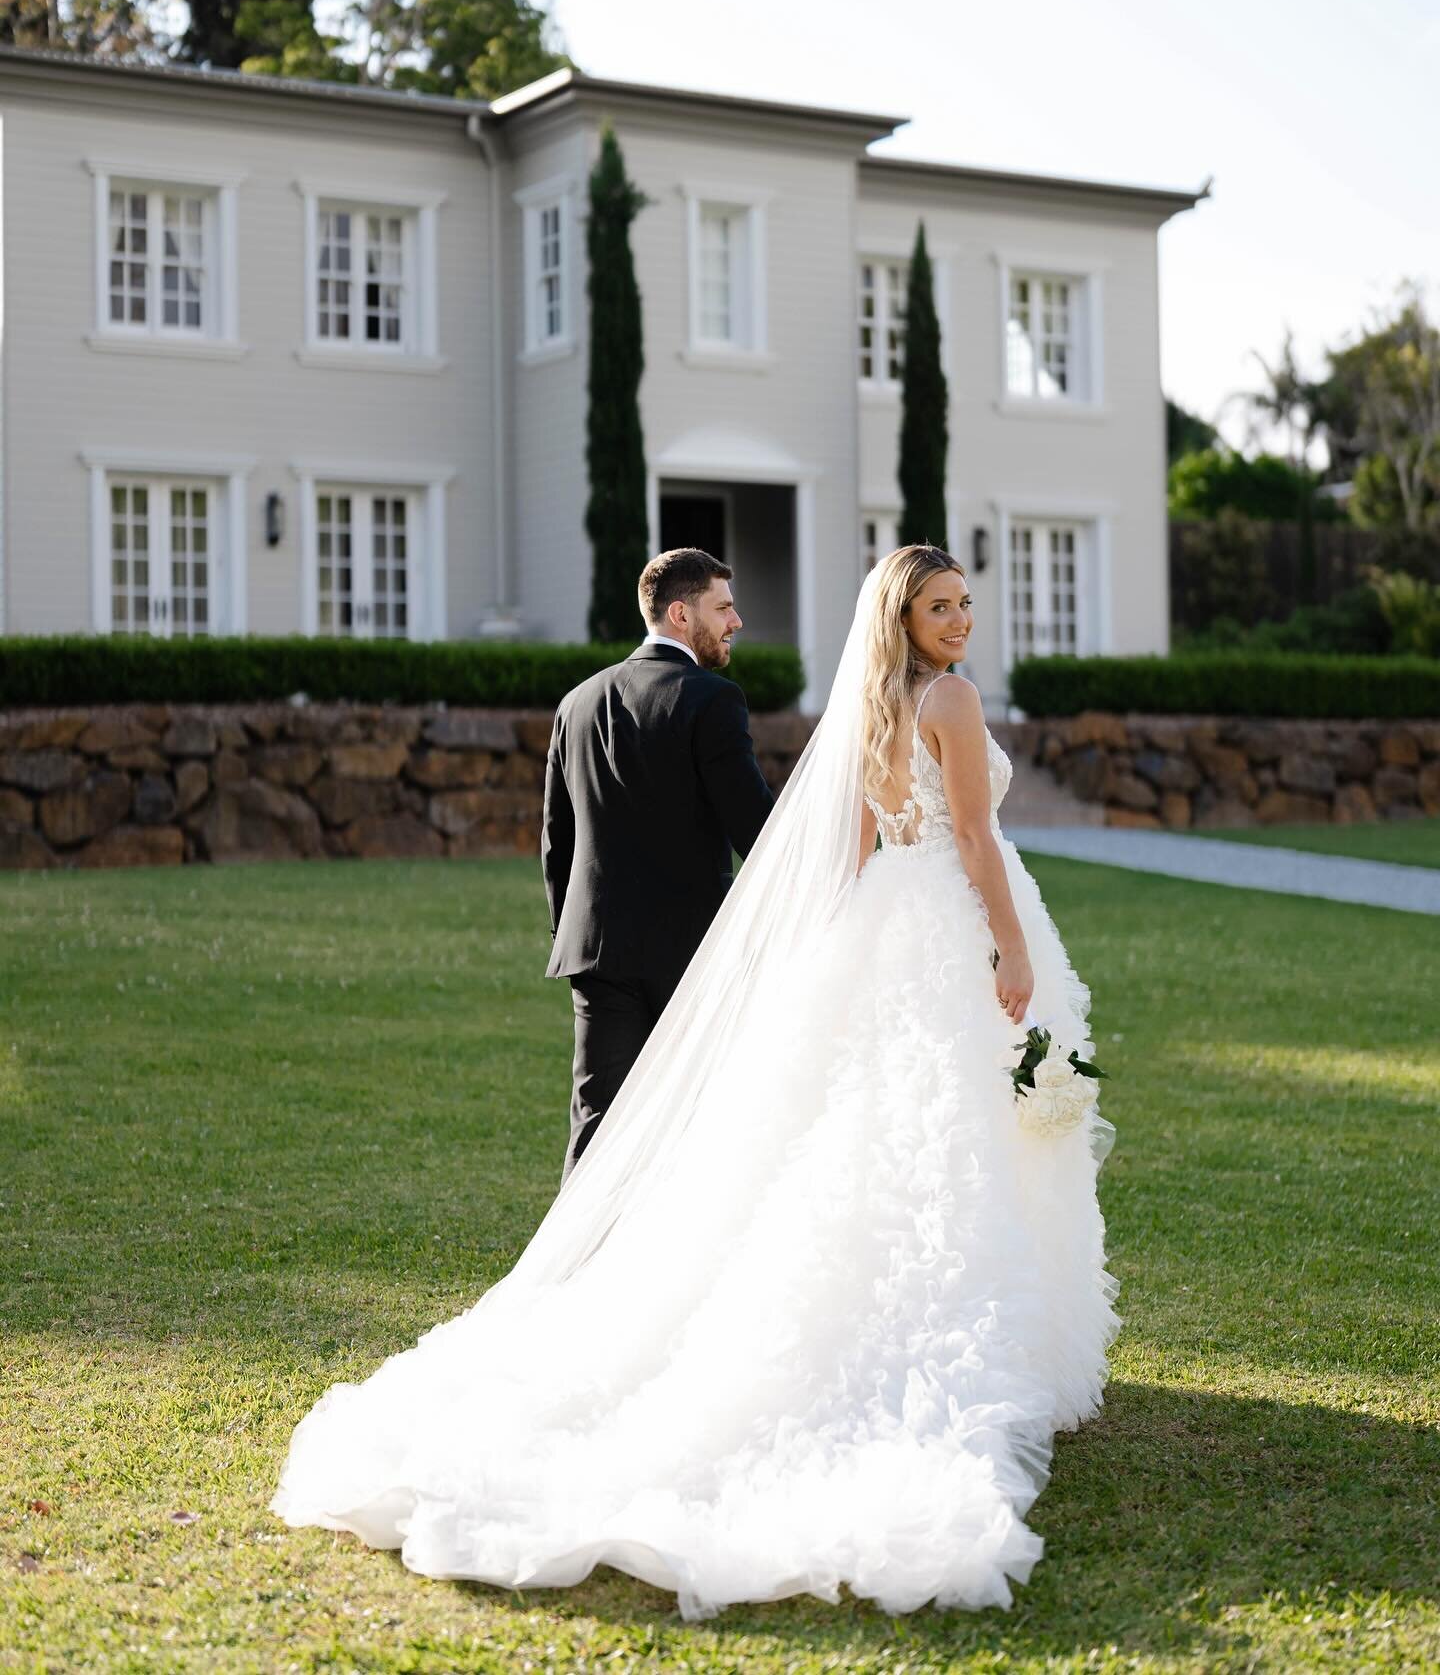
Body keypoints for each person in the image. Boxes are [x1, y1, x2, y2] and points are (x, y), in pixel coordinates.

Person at [272, 544, 1119, 1620]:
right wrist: (1009, 944)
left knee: (848, 1132)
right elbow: (966, 832)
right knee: (942, 1133)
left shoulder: (848, 706)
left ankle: (630, 1273)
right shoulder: (940, 698)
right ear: (903, 620)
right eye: (941, 607)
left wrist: (826, 950)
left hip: (811, 934)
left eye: (965, 605)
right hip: (944, 924)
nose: (959, 622)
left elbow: (834, 847)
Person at [542, 547, 774, 1179]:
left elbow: (555, 843)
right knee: (700, 1121)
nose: (737, 621)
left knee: (597, 1125)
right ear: (680, 613)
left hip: (597, 951)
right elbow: (758, 830)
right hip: (691, 955)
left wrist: (573, 934)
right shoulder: (712, 700)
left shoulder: (577, 702)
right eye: (723, 607)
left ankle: (572, 1273)